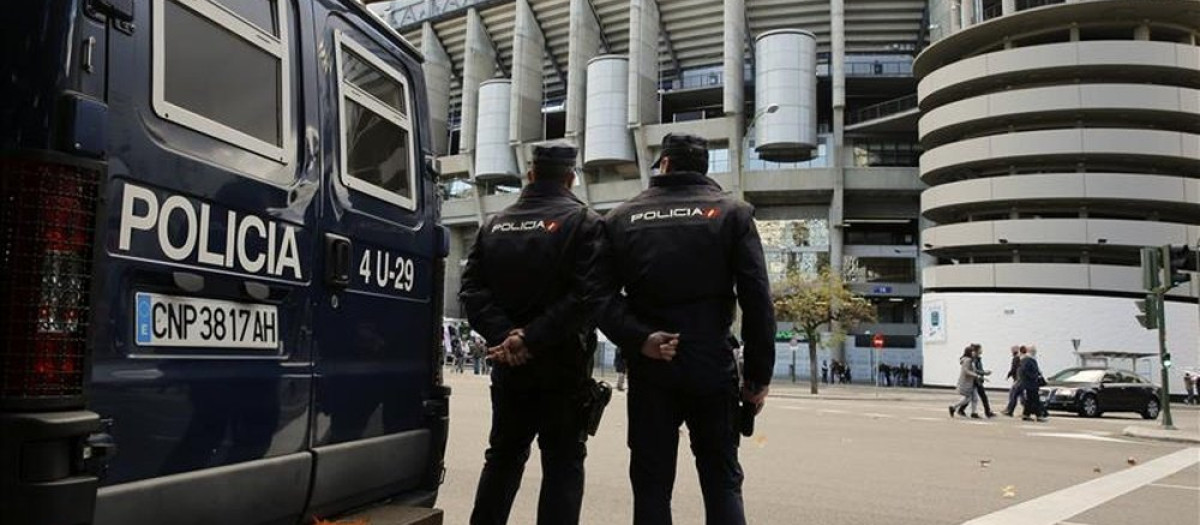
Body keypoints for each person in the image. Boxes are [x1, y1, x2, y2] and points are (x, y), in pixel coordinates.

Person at [600, 133, 775, 525]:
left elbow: (598, 297)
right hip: (711, 367)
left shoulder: (620, 218)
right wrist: (758, 379)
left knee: (651, 486)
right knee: (721, 482)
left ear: (664, 165)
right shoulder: (733, 214)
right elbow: (758, 300)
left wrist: (639, 338)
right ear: (703, 169)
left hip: (650, 369)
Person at [459, 144, 611, 525]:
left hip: (510, 368)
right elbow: (587, 296)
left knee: (502, 458)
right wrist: (530, 338)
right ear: (570, 177)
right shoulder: (585, 222)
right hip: (563, 368)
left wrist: (507, 335)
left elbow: (472, 291)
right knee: (562, 465)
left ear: (530, 175)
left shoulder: (494, 224)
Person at [949, 346, 981, 418]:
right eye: (972, 351)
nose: (974, 353)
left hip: (971, 382)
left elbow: (973, 370)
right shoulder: (968, 360)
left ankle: (973, 413)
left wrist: (983, 373)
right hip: (967, 382)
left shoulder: (970, 360)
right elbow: (966, 371)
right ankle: (954, 407)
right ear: (969, 352)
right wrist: (976, 375)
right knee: (968, 398)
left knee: (974, 398)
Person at [1019, 345, 1048, 422]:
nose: (1035, 352)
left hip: (1030, 384)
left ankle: (1026, 414)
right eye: (1034, 351)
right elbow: (1024, 371)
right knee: (1035, 400)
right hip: (1031, 384)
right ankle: (1039, 415)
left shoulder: (1027, 360)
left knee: (1030, 400)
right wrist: (1035, 376)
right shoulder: (1028, 360)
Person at [971, 344, 996, 417]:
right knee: (982, 397)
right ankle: (987, 412)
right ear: (977, 350)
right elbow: (975, 370)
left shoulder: (978, 358)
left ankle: (987, 412)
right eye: (980, 349)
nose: (982, 350)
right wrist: (985, 373)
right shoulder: (975, 359)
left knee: (971, 397)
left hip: (978, 380)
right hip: (976, 380)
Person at [1001, 346, 1024, 416]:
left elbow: (1014, 368)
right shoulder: (1020, 358)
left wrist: (1009, 374)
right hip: (1019, 379)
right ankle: (1009, 409)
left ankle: (1009, 410)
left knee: (1013, 394)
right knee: (1021, 395)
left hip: (1018, 379)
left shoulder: (1016, 358)